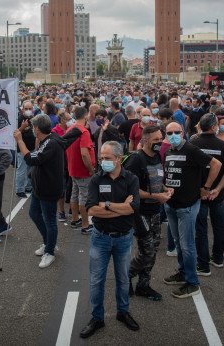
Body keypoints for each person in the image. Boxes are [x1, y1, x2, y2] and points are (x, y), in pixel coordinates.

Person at [80, 141, 140, 339]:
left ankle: (123, 312)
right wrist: (118, 207)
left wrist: (105, 206)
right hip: (101, 238)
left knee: (123, 279)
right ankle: (97, 317)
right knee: (97, 280)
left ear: (118, 158)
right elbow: (91, 210)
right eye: (101, 158)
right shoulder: (97, 179)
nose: (102, 162)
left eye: (106, 158)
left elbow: (133, 208)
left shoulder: (131, 179)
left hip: (123, 238)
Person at [162, 121, 220, 298]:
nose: (172, 135)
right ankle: (183, 272)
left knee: (187, 246)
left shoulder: (191, 149)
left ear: (183, 133)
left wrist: (207, 187)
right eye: (169, 132)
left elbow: (216, 164)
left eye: (176, 132)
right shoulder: (169, 151)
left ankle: (193, 282)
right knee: (179, 244)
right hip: (171, 204)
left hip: (187, 206)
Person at [125, 124, 172, 300]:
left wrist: (165, 189)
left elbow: (157, 181)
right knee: (148, 251)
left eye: (161, 139)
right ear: (145, 141)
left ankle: (143, 285)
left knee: (154, 249)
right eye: (156, 140)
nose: (160, 142)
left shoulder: (158, 157)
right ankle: (126, 277)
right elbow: (132, 190)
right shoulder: (136, 160)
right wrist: (156, 195)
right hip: (140, 212)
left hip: (155, 211)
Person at [14, 114, 64, 267]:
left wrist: (20, 140)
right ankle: (48, 242)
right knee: (34, 213)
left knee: (50, 220)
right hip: (39, 187)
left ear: (37, 128)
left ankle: (50, 251)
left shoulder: (52, 143)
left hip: (48, 188)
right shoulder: (46, 140)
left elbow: (31, 159)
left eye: (33, 127)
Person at [191, 113, 224, 274]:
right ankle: (218, 258)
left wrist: (205, 189)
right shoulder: (223, 145)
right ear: (214, 127)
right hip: (217, 194)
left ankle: (203, 264)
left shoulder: (193, 142)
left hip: (199, 193)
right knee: (218, 225)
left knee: (201, 229)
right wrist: (219, 188)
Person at [66, 106, 96, 233]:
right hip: (83, 170)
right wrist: (90, 169)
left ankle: (75, 220)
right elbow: (84, 153)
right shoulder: (83, 132)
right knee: (83, 197)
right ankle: (85, 225)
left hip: (73, 168)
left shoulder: (70, 129)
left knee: (75, 194)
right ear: (86, 116)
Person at [15, 101, 35, 198]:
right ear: (22, 109)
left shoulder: (32, 118)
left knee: (29, 169)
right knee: (21, 169)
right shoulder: (19, 119)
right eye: (26, 109)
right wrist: (22, 128)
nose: (28, 111)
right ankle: (19, 190)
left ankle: (28, 187)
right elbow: (15, 134)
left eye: (30, 109)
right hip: (22, 149)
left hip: (31, 148)